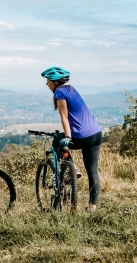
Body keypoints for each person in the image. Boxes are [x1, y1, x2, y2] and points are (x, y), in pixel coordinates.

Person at [41, 66, 102, 212]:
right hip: (96, 134)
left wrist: (68, 137)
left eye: (48, 81)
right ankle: (92, 207)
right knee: (92, 170)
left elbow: (64, 116)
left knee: (57, 140)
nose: (46, 84)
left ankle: (72, 168)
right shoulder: (71, 89)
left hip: (82, 136)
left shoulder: (59, 92)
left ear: (55, 82)